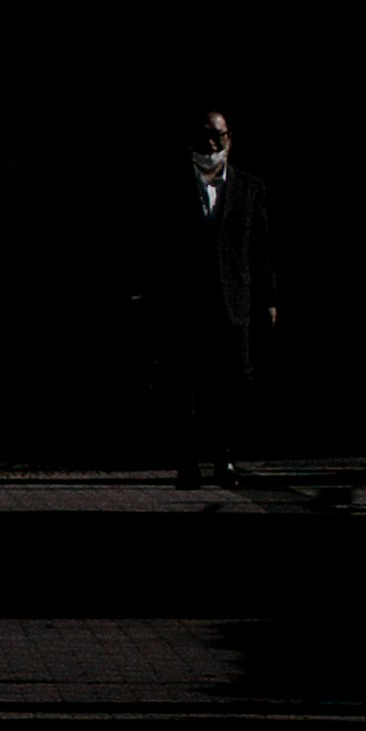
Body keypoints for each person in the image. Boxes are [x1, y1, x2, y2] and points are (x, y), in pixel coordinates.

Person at [158, 106, 279, 487]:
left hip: (234, 298)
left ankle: (226, 457)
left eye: (219, 136)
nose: (211, 145)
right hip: (188, 300)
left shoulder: (249, 188)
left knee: (236, 380)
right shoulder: (173, 188)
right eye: (205, 137)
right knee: (186, 381)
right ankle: (188, 459)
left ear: (230, 139)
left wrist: (269, 298)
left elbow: (261, 248)